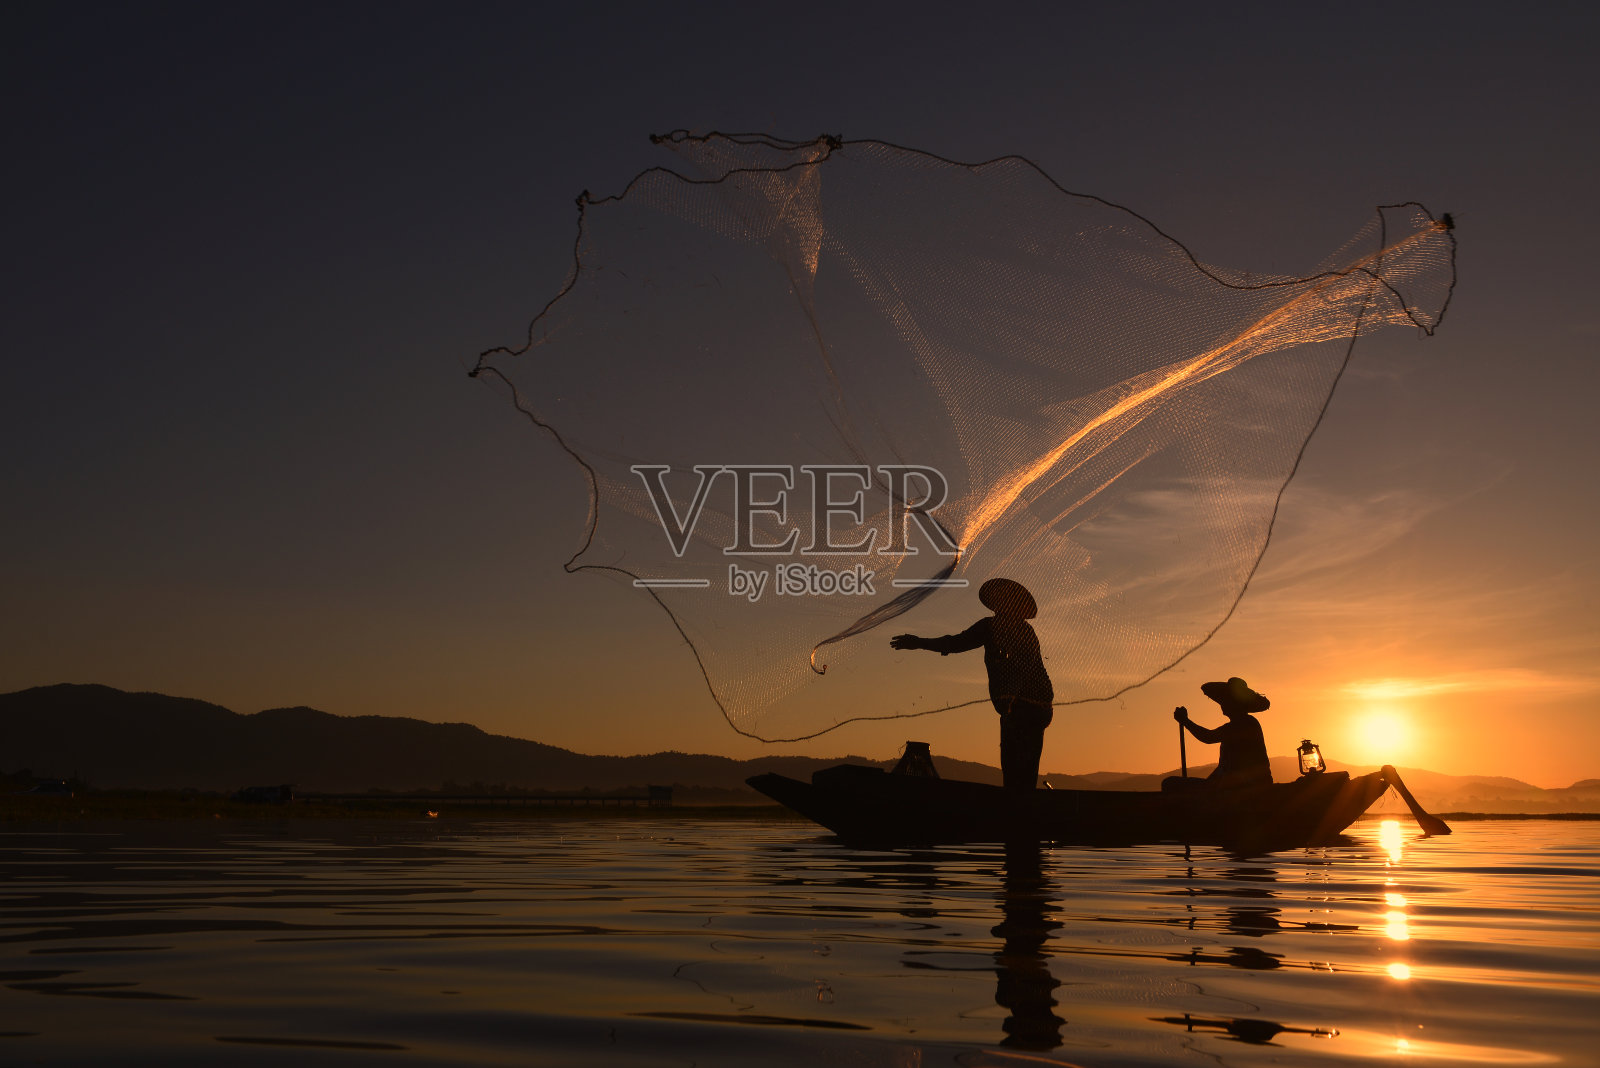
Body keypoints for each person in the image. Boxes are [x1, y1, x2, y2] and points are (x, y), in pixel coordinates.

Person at [890, 578, 1053, 795]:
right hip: (1025, 708)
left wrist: (1011, 698)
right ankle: (1020, 811)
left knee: (1020, 771)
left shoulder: (1023, 632)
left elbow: (1025, 666)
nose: (1000, 603)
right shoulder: (990, 627)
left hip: (1029, 708)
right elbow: (956, 643)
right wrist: (920, 642)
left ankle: (1019, 814)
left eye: (1005, 599)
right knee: (1019, 774)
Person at [1167, 677, 1273, 790]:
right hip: (1233, 783)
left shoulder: (1245, 723)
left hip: (1248, 785)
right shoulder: (1240, 724)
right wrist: (1208, 784)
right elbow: (1224, 767)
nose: (1222, 704)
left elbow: (1208, 737)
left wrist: (1185, 721)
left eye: (1225, 700)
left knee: (1169, 783)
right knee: (1172, 783)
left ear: (1235, 703)